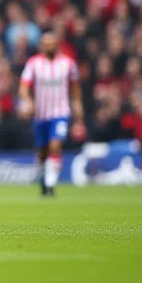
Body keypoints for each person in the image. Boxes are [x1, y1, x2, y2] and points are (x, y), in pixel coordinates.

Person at [19, 32, 83, 196]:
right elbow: (23, 87)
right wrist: (28, 101)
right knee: (42, 152)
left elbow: (75, 90)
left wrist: (77, 110)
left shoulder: (68, 64)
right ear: (41, 45)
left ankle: (50, 185)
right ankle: (43, 180)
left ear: (57, 44)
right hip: (40, 114)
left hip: (60, 112)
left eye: (52, 43)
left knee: (55, 146)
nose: (49, 46)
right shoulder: (33, 64)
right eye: (46, 44)